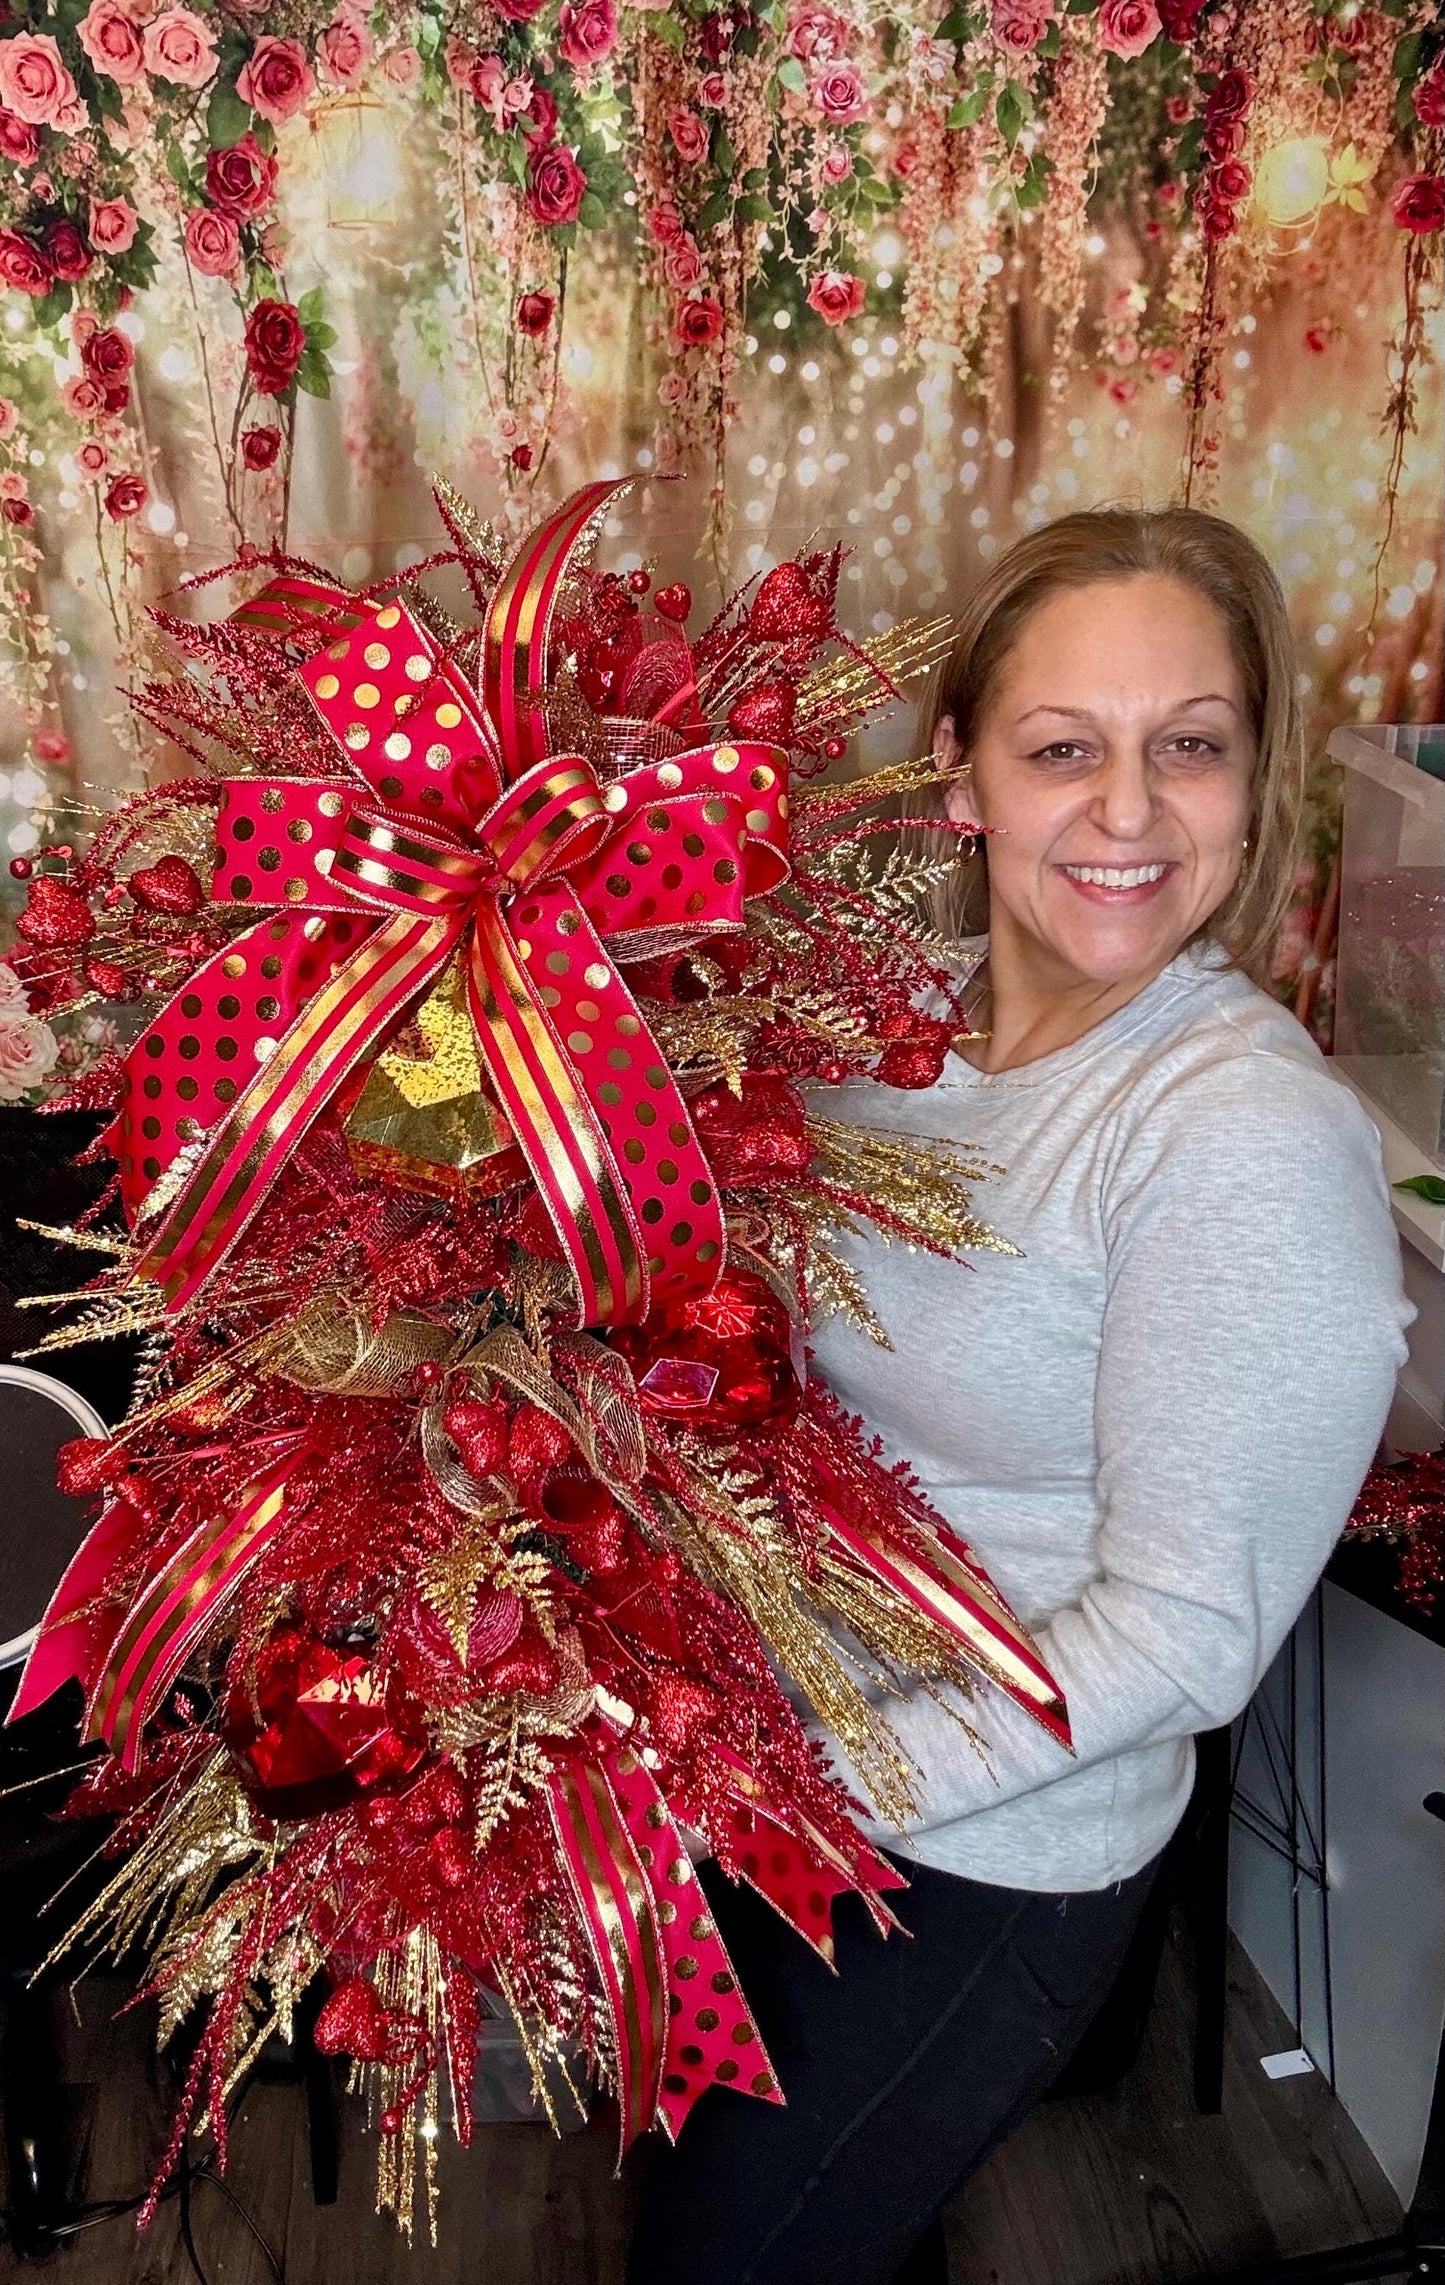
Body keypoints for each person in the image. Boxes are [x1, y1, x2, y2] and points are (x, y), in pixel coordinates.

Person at [627, 507, 1412, 2285]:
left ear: (1248, 779)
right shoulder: (896, 1024)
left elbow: (1186, 1636)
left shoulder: (1234, 1134)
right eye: (1063, 747)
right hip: (780, 1787)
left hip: (977, 1866)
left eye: (1186, 747)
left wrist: (778, 1783)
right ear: (962, 775)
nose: (1127, 812)